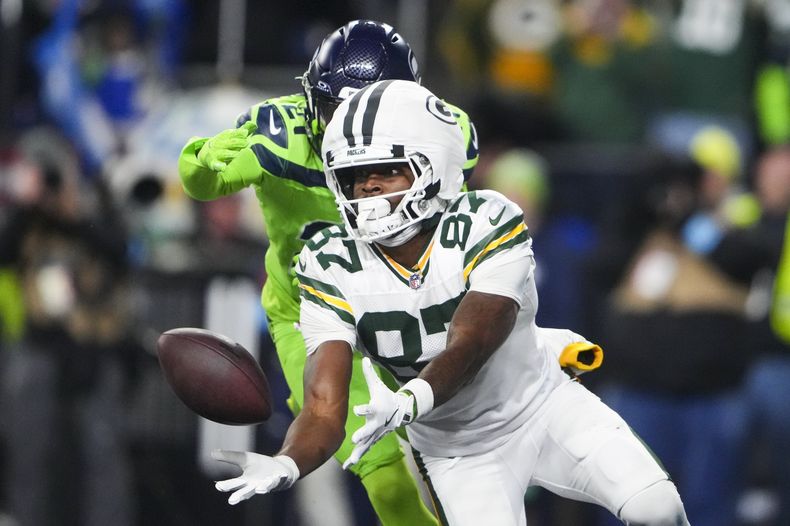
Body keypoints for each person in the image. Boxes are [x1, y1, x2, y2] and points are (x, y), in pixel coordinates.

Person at [209, 80, 688, 526]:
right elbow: (323, 407)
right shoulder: (327, 262)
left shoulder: (485, 219)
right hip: (457, 451)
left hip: (542, 406)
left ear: (432, 165)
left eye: (387, 170)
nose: (369, 186)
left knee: (656, 507)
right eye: (354, 174)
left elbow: (474, 338)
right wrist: (288, 463)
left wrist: (411, 398)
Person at [178, 20, 478, 526]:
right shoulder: (282, 136)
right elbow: (207, 185)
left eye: (366, 113)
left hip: (405, 308)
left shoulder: (442, 135)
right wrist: (200, 164)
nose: (345, 131)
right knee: (385, 477)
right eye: (335, 110)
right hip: (312, 314)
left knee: (463, 463)